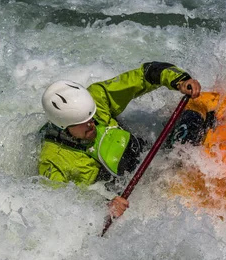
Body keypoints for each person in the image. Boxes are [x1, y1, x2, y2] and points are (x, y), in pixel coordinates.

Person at [38, 62, 206, 219]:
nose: (91, 125)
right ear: (63, 126)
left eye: (91, 116)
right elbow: (63, 204)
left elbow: (144, 75)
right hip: (126, 193)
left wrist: (180, 80)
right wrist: (105, 206)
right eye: (83, 123)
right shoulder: (53, 162)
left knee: (191, 119)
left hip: (147, 155)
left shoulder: (97, 96)